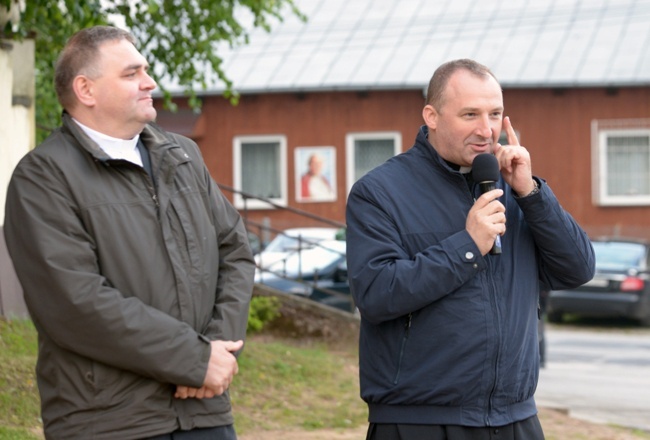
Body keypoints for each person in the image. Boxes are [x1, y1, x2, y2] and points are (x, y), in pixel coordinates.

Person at [3, 26, 255, 440]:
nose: (149, 81)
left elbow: (235, 252)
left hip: (203, 413)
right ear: (86, 89)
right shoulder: (43, 178)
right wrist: (193, 358)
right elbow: (75, 303)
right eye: (131, 73)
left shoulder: (183, 156)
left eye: (146, 70)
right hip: (108, 421)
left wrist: (216, 352)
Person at [345, 59, 595, 439]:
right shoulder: (379, 192)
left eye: (495, 113)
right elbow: (376, 294)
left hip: (515, 417)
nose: (486, 129)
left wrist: (531, 193)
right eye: (470, 114)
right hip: (420, 421)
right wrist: (467, 246)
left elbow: (578, 268)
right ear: (431, 115)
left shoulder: (513, 189)